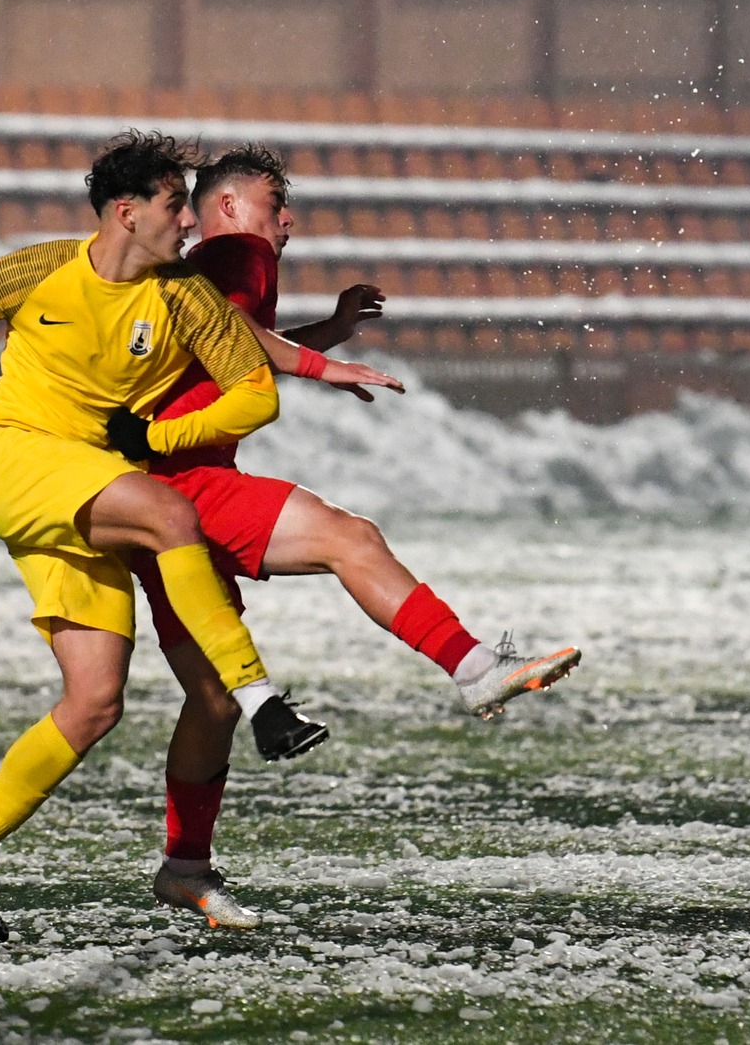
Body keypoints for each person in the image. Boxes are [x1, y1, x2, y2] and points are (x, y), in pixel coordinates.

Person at [0, 131, 327, 944]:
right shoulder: (34, 269)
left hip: (93, 484)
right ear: (126, 211)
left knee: (94, 701)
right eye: (175, 205)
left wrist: (159, 438)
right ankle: (260, 699)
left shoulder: (185, 297)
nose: (188, 222)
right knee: (172, 517)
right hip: (19, 459)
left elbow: (256, 396)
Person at [121, 146, 583, 930]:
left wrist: (327, 332)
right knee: (349, 537)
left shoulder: (207, 265)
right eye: (275, 203)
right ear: (229, 206)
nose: (285, 221)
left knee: (212, 698)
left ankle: (184, 866)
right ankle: (475, 668)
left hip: (143, 493)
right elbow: (237, 333)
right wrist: (323, 364)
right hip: (184, 482)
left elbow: (230, 346)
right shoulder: (240, 253)